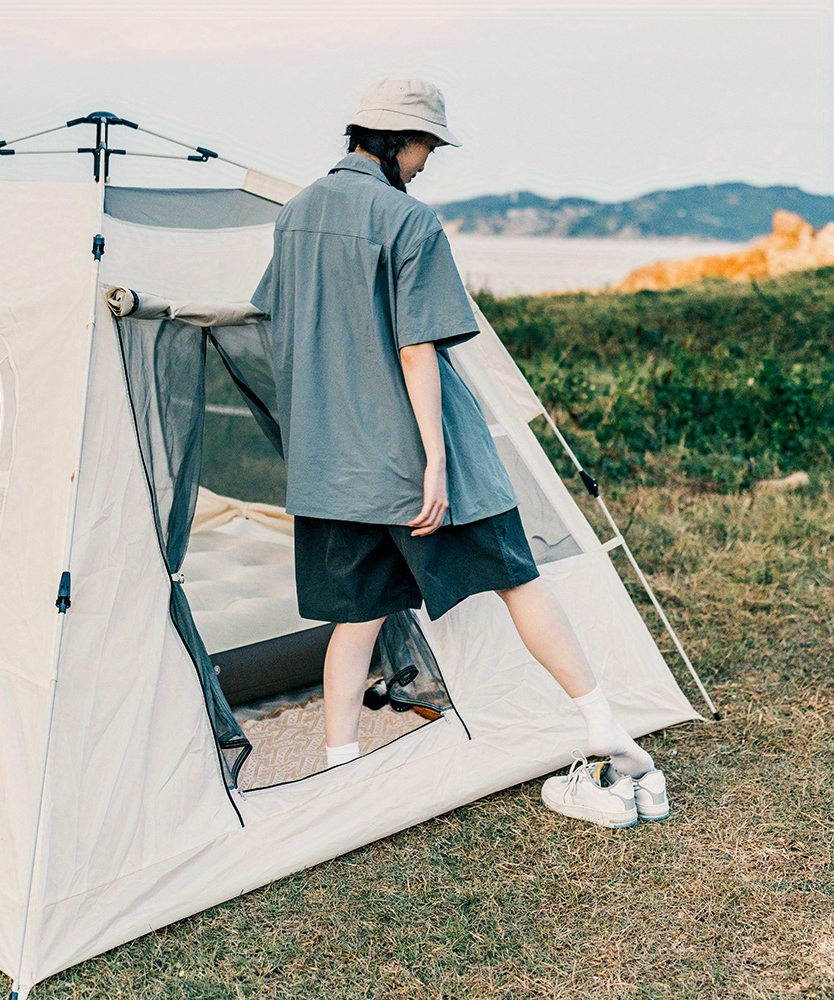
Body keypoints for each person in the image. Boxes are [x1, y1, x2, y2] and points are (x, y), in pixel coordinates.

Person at [250, 77, 668, 827]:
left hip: (333, 463)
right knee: (518, 579)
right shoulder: (409, 222)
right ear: (393, 142)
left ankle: (341, 769)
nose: (426, 162)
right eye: (425, 147)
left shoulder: (296, 215)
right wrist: (436, 462)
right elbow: (417, 349)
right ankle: (603, 723)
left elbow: (280, 324)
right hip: (411, 454)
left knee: (357, 613)